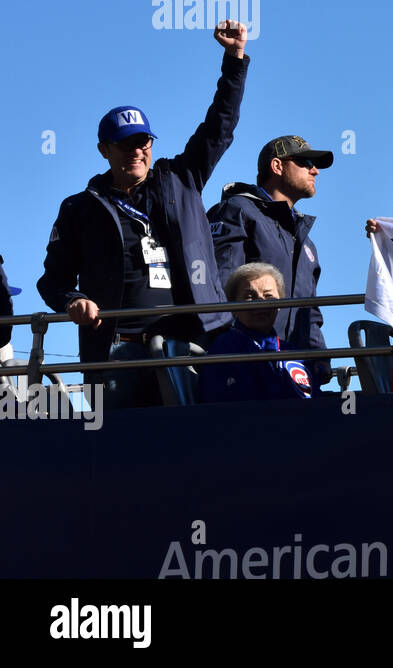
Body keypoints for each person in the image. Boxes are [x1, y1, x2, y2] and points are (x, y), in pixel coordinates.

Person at [37, 21, 249, 408]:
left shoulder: (181, 178)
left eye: (143, 142)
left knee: (198, 439)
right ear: (104, 149)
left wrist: (233, 60)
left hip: (191, 339)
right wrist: (73, 300)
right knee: (123, 448)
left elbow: (220, 126)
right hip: (119, 349)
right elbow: (52, 280)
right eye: (125, 145)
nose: (136, 152)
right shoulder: (79, 207)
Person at [208, 135, 333, 385]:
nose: (315, 171)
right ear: (277, 166)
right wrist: (231, 349)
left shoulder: (306, 242)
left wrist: (319, 356)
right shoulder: (237, 211)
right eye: (306, 162)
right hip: (243, 366)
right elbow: (220, 285)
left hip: (291, 370)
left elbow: (309, 310)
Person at [199, 262, 314, 403]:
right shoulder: (225, 348)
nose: (260, 302)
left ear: (280, 303)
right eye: (249, 296)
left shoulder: (293, 353)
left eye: (268, 296)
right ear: (233, 306)